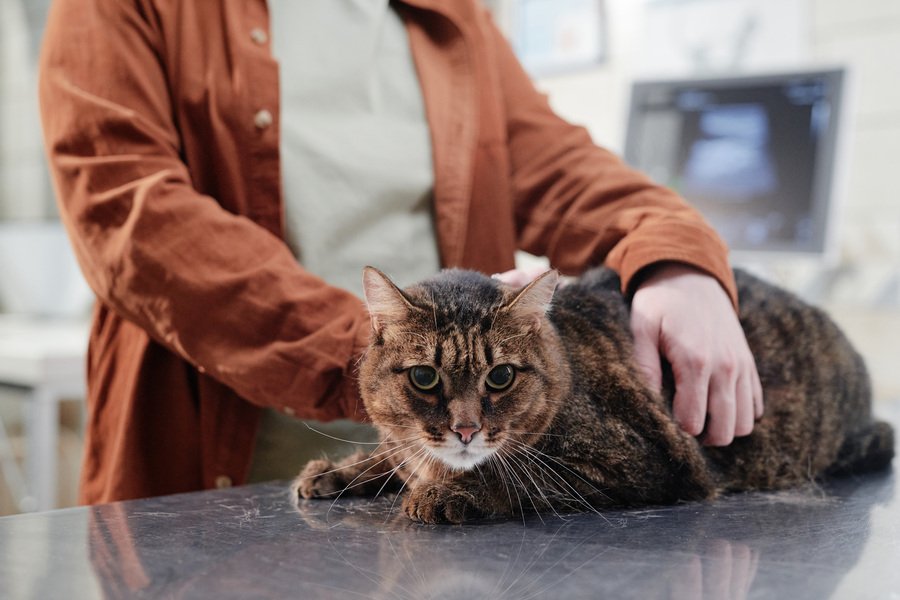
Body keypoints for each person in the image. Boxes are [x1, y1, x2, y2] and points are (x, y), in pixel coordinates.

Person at [38, 0, 761, 505]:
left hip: (458, 488)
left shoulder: (451, 15)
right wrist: (386, 357)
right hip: (210, 475)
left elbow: (562, 168)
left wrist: (676, 257)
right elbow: (126, 209)